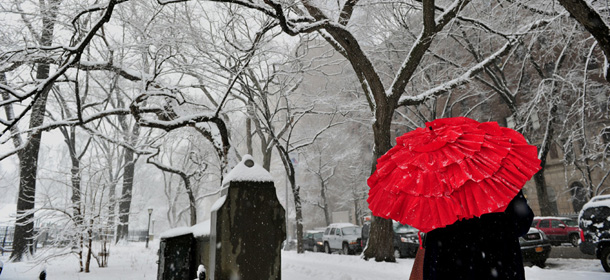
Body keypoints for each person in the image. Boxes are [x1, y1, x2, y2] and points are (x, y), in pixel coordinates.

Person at [410, 191, 533, 280]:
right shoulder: (499, 179)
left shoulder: (437, 186)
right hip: (499, 267)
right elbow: (521, 223)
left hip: (448, 268)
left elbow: (429, 228)